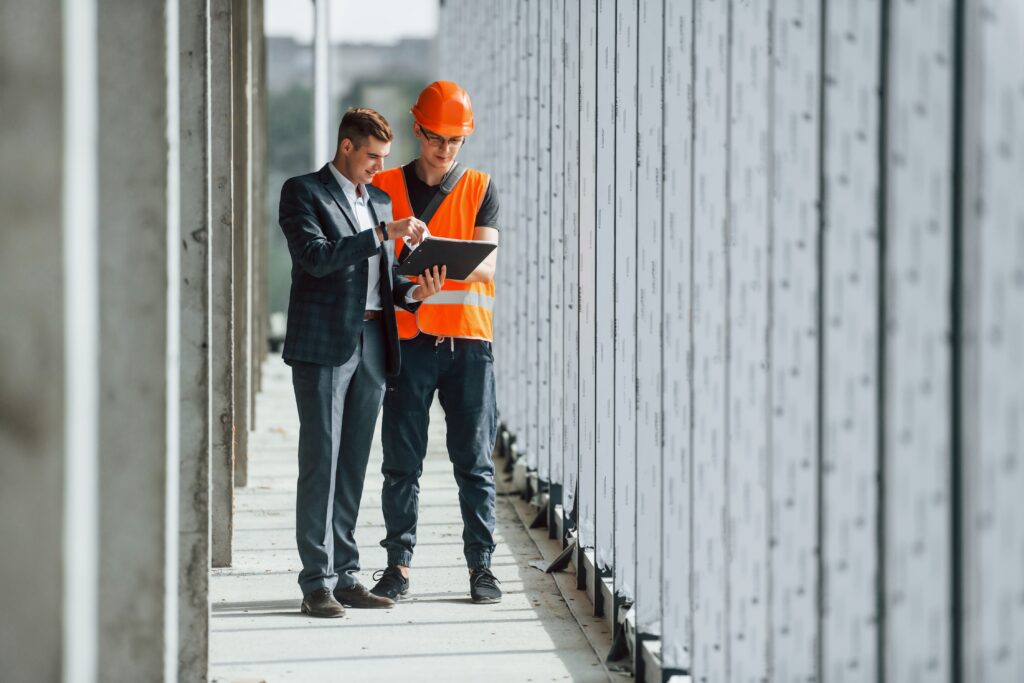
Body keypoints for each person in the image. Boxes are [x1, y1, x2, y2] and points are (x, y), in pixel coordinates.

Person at [278, 107, 446, 618]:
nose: (378, 167)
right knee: (321, 462)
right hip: (326, 344)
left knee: (353, 462)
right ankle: (315, 582)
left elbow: (385, 281)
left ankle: (348, 575)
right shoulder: (303, 192)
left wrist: (417, 290)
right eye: (372, 157)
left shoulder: (378, 200)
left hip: (374, 339)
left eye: (384, 159)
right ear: (346, 147)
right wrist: (380, 234)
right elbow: (316, 256)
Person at [369, 81, 503, 604]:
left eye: (455, 140)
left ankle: (482, 569)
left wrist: (440, 273)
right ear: (416, 128)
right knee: (402, 462)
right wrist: (410, 287)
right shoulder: (387, 188)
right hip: (410, 343)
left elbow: (488, 262)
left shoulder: (480, 188)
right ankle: (397, 569)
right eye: (436, 137)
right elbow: (376, 265)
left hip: (469, 344)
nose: (445, 148)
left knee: (474, 462)